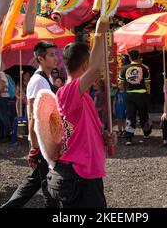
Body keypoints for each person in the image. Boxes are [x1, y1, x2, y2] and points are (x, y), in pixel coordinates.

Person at [47, 18, 113, 208]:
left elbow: (80, 132)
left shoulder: (84, 97)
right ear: (85, 65)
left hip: (89, 173)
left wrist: (103, 138)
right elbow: (96, 70)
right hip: (79, 174)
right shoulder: (67, 92)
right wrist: (100, 30)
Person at [1, 41, 58, 208]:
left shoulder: (46, 78)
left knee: (35, 181)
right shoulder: (38, 81)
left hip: (46, 139)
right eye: (51, 55)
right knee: (49, 188)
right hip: (42, 141)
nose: (55, 58)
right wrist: (34, 147)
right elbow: (32, 114)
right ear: (40, 58)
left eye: (55, 54)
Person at [118, 50, 152, 145]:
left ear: (129, 58)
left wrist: (125, 91)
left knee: (130, 116)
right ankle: (146, 133)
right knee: (143, 115)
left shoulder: (124, 69)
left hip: (129, 95)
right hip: (142, 95)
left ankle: (129, 138)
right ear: (138, 57)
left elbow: (120, 84)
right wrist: (148, 95)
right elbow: (147, 84)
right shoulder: (143, 68)